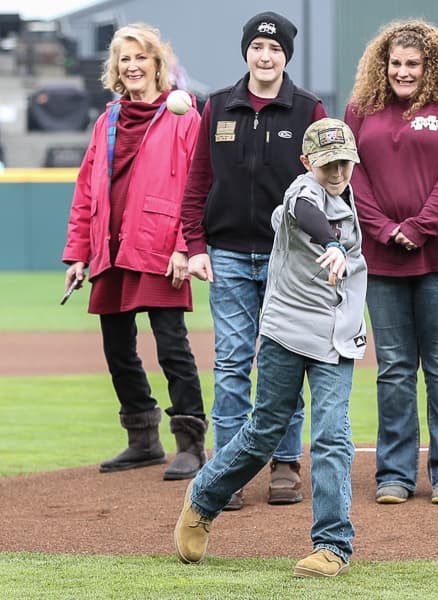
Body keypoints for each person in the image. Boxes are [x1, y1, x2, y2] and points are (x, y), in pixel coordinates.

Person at [175, 117, 366, 578]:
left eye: (344, 162)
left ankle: (332, 545)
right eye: (327, 165)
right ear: (307, 163)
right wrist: (333, 243)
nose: (337, 172)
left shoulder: (354, 194)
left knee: (331, 433)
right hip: (287, 330)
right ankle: (203, 500)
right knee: (265, 431)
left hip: (337, 335)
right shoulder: (302, 192)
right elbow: (305, 213)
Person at [181, 11, 327, 509]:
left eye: (276, 50)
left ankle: (285, 463)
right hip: (226, 255)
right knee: (231, 363)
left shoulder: (309, 109)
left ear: (286, 55)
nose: (266, 57)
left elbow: (328, 185)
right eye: (258, 48)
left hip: (289, 259)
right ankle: (229, 468)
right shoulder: (218, 105)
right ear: (246, 52)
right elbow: (198, 180)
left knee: (283, 363)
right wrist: (194, 246)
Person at [344, 20, 438, 505]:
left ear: (431, 66)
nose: (402, 72)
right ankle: (395, 474)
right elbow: (352, 176)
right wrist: (386, 230)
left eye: (412, 63)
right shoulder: (362, 108)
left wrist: (419, 227)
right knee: (394, 368)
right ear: (382, 66)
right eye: (395, 63)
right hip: (382, 258)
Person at [61, 23, 207, 481]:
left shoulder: (183, 116)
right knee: (117, 348)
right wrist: (78, 254)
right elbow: (87, 190)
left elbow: (198, 186)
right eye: (125, 59)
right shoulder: (107, 120)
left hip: (161, 247)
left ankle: (189, 441)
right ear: (116, 70)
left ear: (157, 65)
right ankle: (142, 437)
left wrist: (185, 247)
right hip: (110, 245)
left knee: (172, 347)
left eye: (141, 57)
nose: (133, 65)